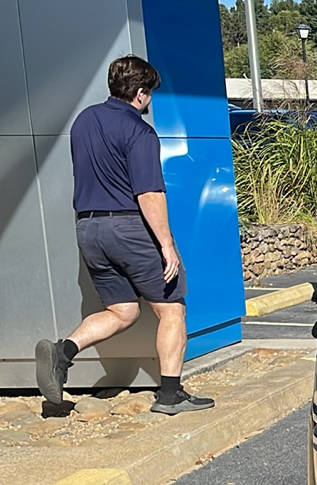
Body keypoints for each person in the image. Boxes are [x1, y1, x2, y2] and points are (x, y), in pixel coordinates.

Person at [34, 55, 213, 415]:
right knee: (172, 311)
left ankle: (62, 352)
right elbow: (148, 194)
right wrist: (167, 246)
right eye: (150, 95)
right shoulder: (140, 132)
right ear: (141, 93)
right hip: (129, 228)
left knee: (123, 310)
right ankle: (170, 395)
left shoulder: (84, 121)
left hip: (89, 228)